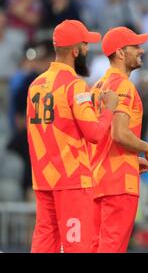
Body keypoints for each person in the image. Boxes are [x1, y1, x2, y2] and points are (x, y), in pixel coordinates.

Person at [26, 19, 119, 253]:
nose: (88, 50)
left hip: (43, 178)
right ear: (76, 51)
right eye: (86, 45)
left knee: (44, 245)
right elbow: (95, 133)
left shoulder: (35, 85)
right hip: (72, 180)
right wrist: (108, 109)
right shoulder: (74, 86)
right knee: (78, 247)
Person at [90, 27, 148, 253]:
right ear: (120, 53)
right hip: (118, 183)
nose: (141, 51)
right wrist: (147, 148)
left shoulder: (97, 86)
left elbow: (101, 134)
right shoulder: (123, 85)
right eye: (135, 46)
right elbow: (119, 133)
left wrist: (131, 159)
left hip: (98, 179)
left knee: (96, 247)